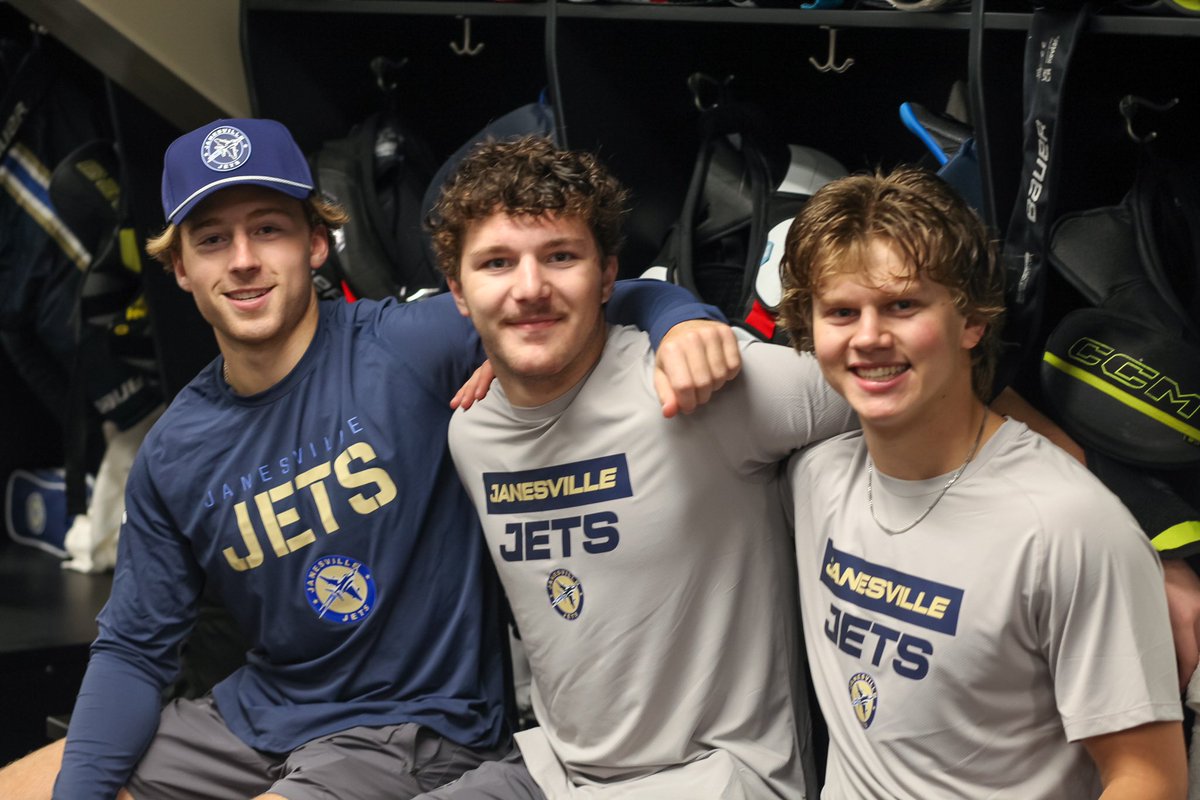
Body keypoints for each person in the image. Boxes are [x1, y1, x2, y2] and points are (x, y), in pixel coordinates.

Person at [0, 118, 739, 800]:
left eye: (268, 230)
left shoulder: (411, 346)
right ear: (181, 269)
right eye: (213, 240)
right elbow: (134, 650)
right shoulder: (174, 449)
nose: (246, 261)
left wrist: (681, 322)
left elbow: (583, 296)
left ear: (316, 244)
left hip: (414, 727)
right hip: (258, 718)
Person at [418, 134, 860, 799]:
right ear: (458, 292)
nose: (530, 288)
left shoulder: (697, 385)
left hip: (720, 777)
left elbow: (886, 383)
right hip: (557, 770)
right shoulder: (472, 431)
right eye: (497, 264)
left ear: (606, 277)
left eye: (561, 257)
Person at [777, 166, 1186, 798]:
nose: (868, 337)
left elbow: (1148, 776)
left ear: (971, 321)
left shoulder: (1068, 525)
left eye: (902, 305)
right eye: (840, 311)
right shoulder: (814, 480)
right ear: (811, 331)